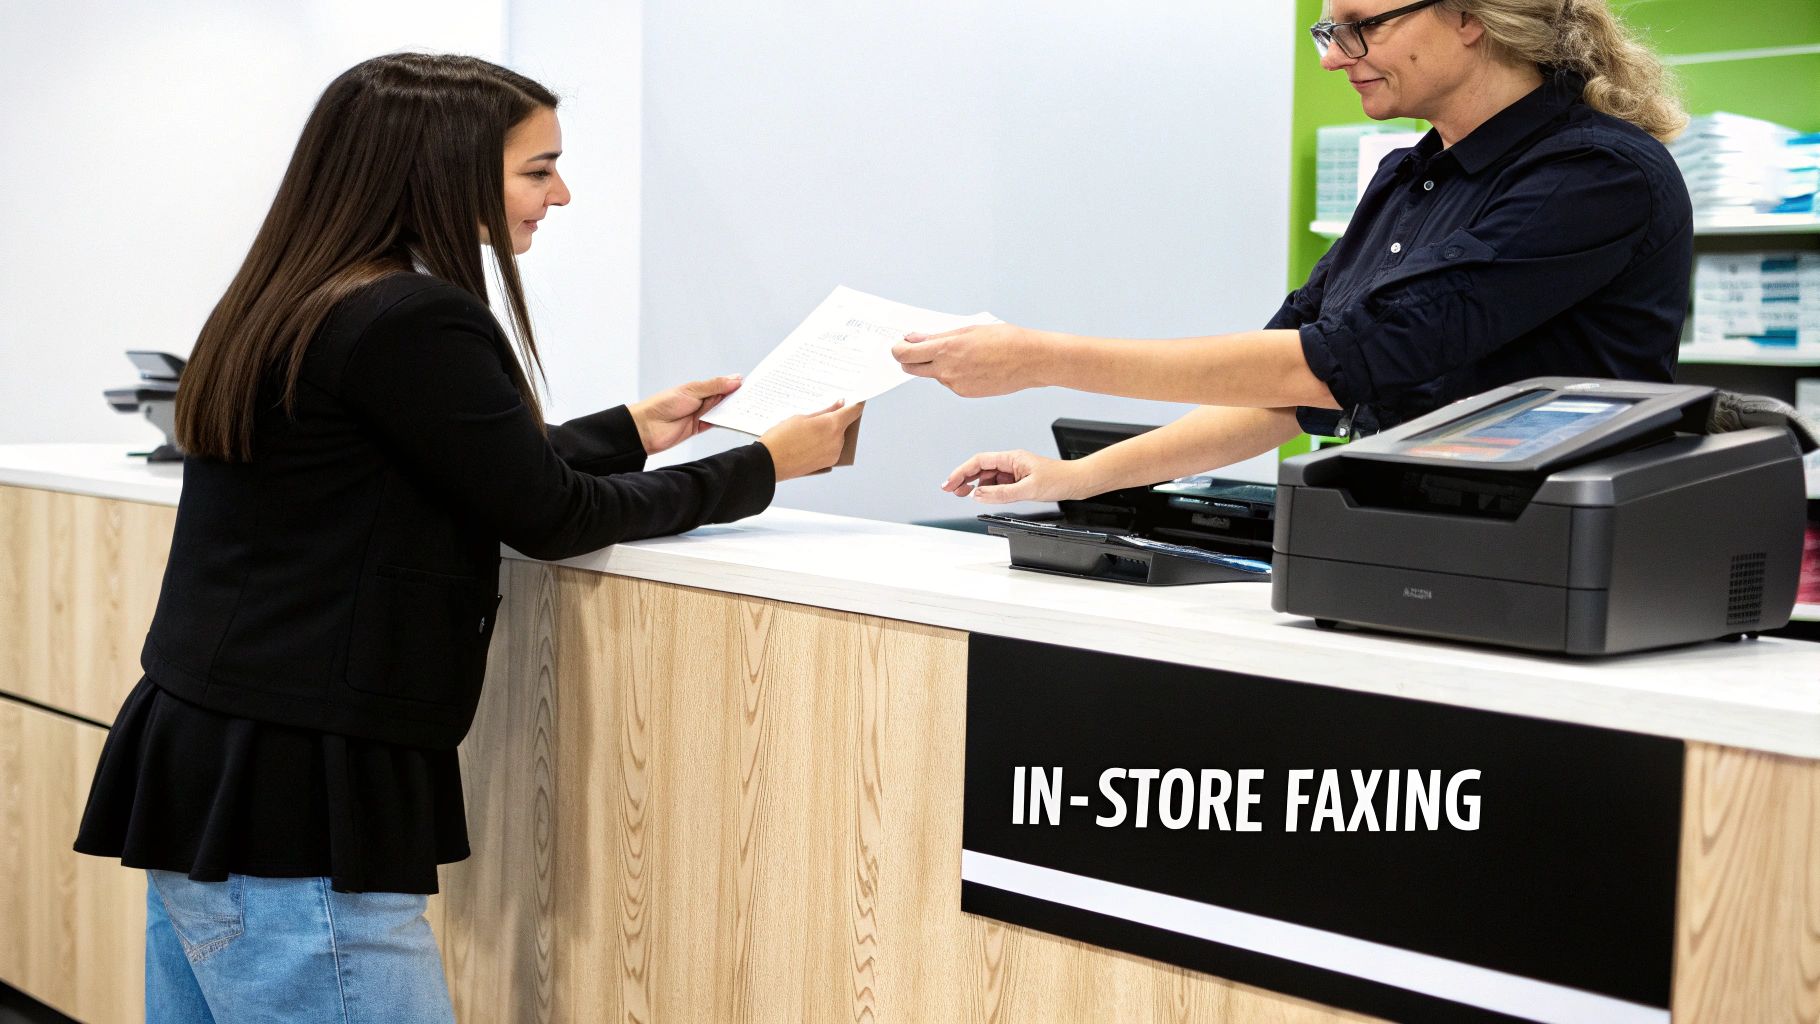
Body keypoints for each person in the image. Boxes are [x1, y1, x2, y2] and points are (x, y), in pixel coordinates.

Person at [72, 53, 860, 1023]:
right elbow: (550, 514)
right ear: (440, 167)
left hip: (213, 770)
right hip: (296, 806)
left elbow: (437, 464)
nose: (559, 194)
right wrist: (765, 463)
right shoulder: (411, 316)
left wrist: (630, 430)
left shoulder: (299, 296)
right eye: (537, 170)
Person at [892, 0, 1692, 503]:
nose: (1331, 56)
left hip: (1545, 555)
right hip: (1405, 544)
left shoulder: (1595, 174)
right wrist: (1076, 479)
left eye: (1360, 27)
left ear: (1466, 17)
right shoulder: (1409, 175)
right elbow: (1282, 386)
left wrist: (1042, 356)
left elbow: (1334, 362)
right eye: (1325, 29)